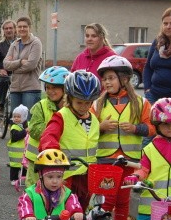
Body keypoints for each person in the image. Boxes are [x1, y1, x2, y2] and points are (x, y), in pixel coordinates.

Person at [95, 56, 155, 220]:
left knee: (123, 200)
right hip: (106, 159)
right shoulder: (98, 104)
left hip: (129, 161)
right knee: (107, 198)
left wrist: (137, 128)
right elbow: (88, 130)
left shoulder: (141, 103)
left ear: (125, 79)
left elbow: (153, 127)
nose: (107, 82)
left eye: (111, 78)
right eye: (104, 79)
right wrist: (101, 127)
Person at [40, 71, 102, 209]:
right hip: (67, 176)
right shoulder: (61, 116)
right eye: (79, 102)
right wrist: (52, 151)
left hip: (88, 176)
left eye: (88, 103)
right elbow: (48, 137)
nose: (84, 106)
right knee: (66, 211)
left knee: (85, 211)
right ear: (69, 98)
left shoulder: (94, 120)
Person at [25, 66, 69, 187]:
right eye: (48, 88)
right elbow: (34, 129)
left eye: (54, 88)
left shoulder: (71, 108)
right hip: (37, 160)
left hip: (59, 161)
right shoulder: (41, 106)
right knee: (34, 192)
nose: (50, 91)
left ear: (65, 89)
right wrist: (55, 127)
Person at [3, 16, 44, 111]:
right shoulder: (15, 44)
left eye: (25, 26)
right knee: (16, 122)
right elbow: (5, 64)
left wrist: (13, 68)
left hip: (31, 89)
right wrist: (20, 61)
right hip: (15, 89)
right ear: (16, 28)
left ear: (29, 28)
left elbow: (31, 65)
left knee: (28, 122)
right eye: (19, 26)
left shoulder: (36, 43)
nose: (22, 29)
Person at [8, 104, 28, 188]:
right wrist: (25, 132)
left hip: (23, 152)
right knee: (14, 167)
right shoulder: (14, 127)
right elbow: (16, 137)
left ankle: (23, 178)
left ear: (23, 117)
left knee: (24, 166)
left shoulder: (25, 125)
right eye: (14, 116)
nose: (16, 118)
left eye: (18, 117)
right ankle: (14, 179)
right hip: (15, 153)